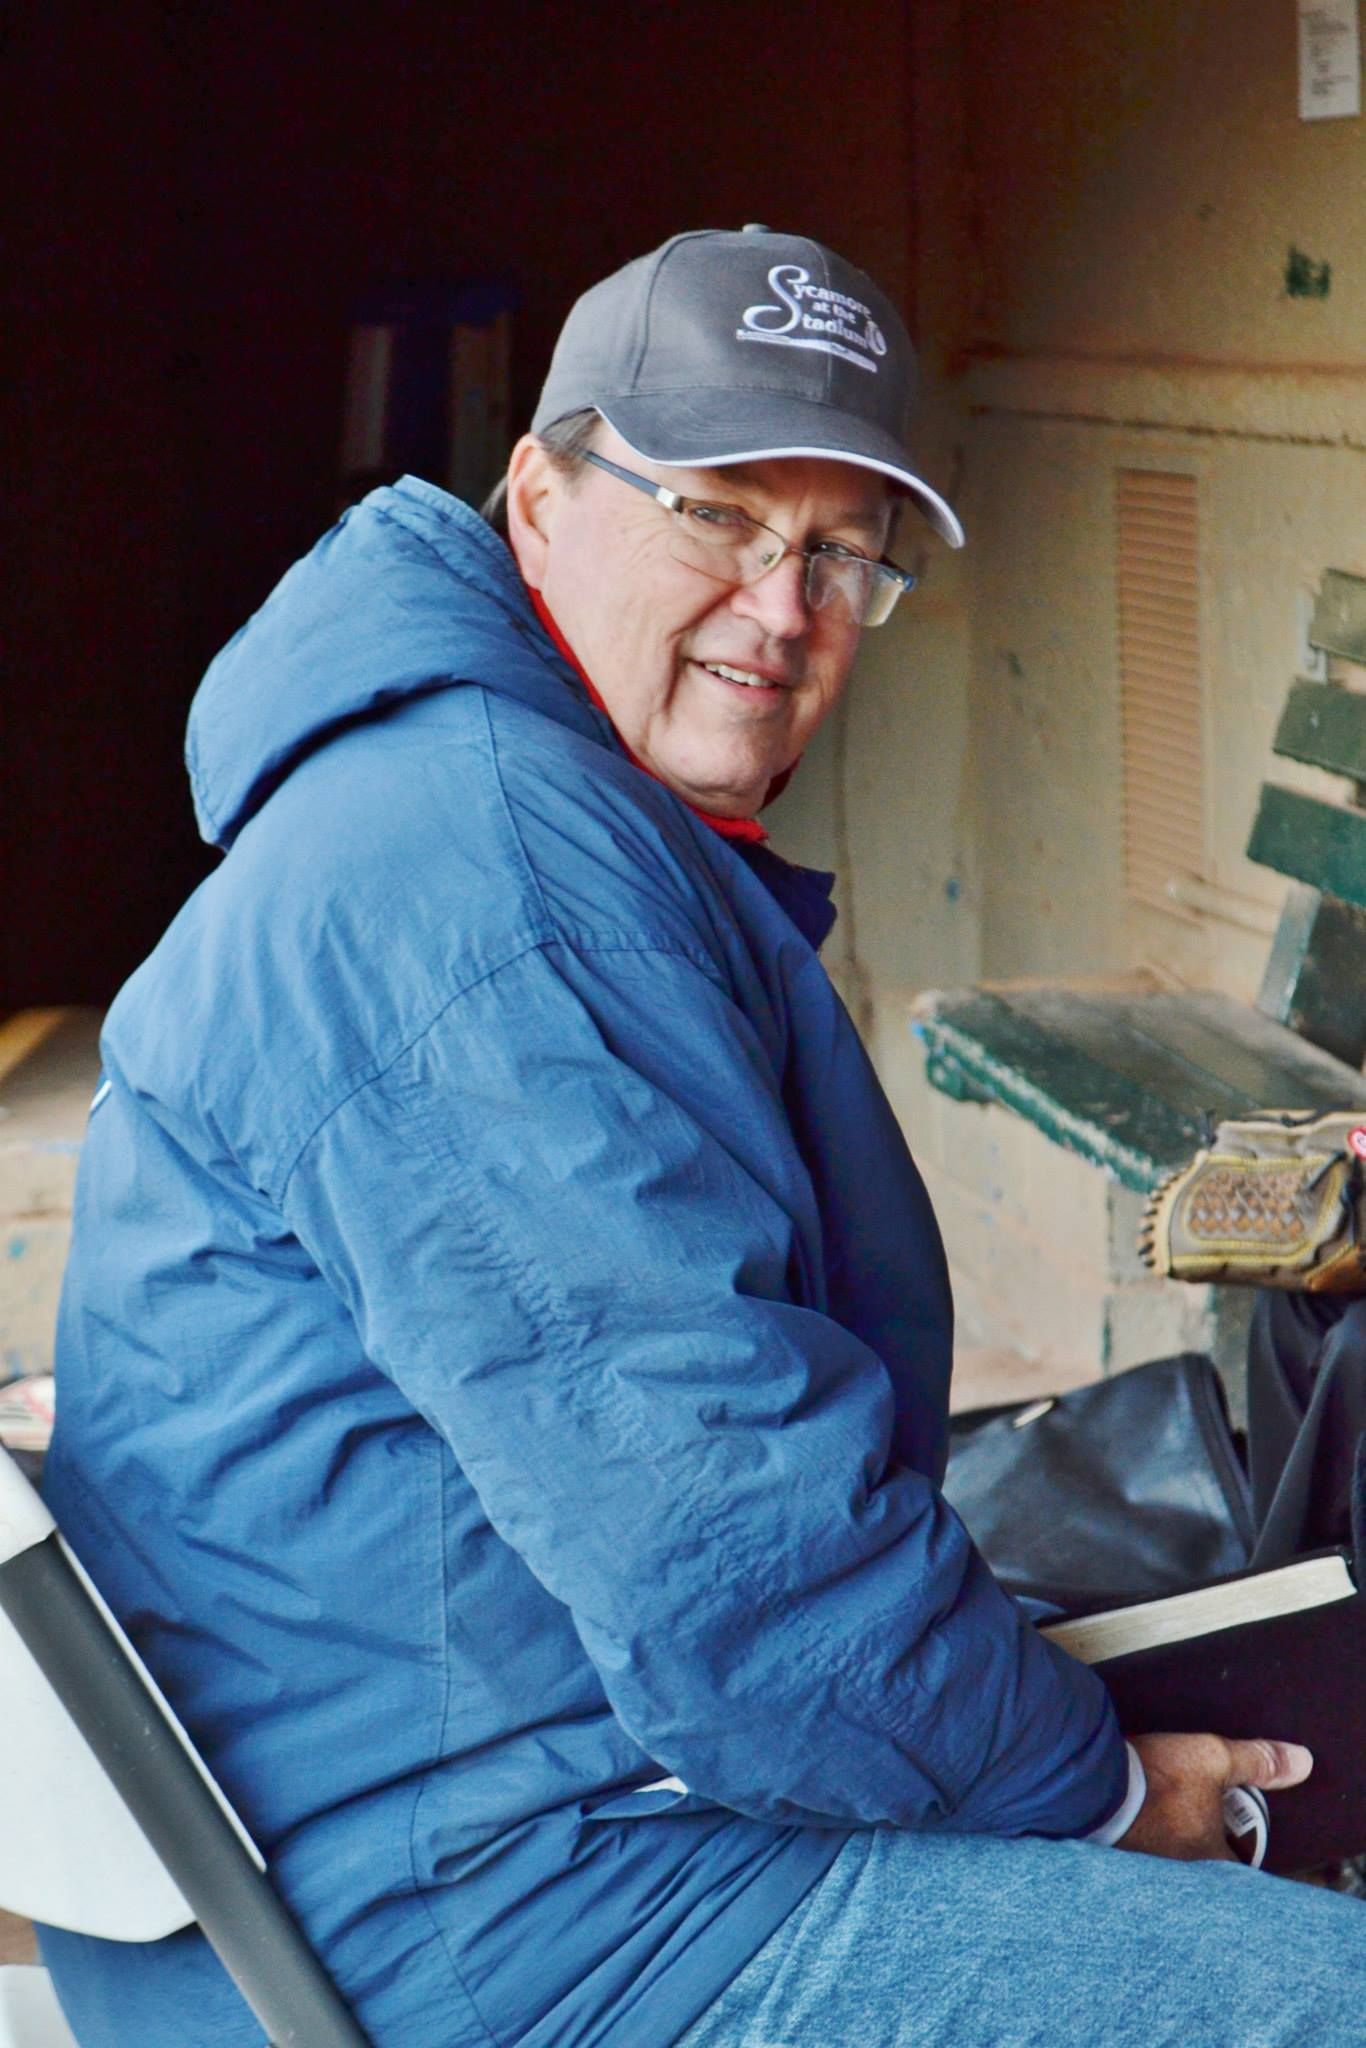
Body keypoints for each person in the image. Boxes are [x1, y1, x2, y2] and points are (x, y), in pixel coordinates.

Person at [39, 226, 1366, 2046]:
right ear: (536, 497)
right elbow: (740, 1567)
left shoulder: (502, 799)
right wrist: (1109, 1800)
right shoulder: (481, 880)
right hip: (485, 1925)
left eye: (839, 552)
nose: (780, 606)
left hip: (446, 1822)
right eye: (717, 516)